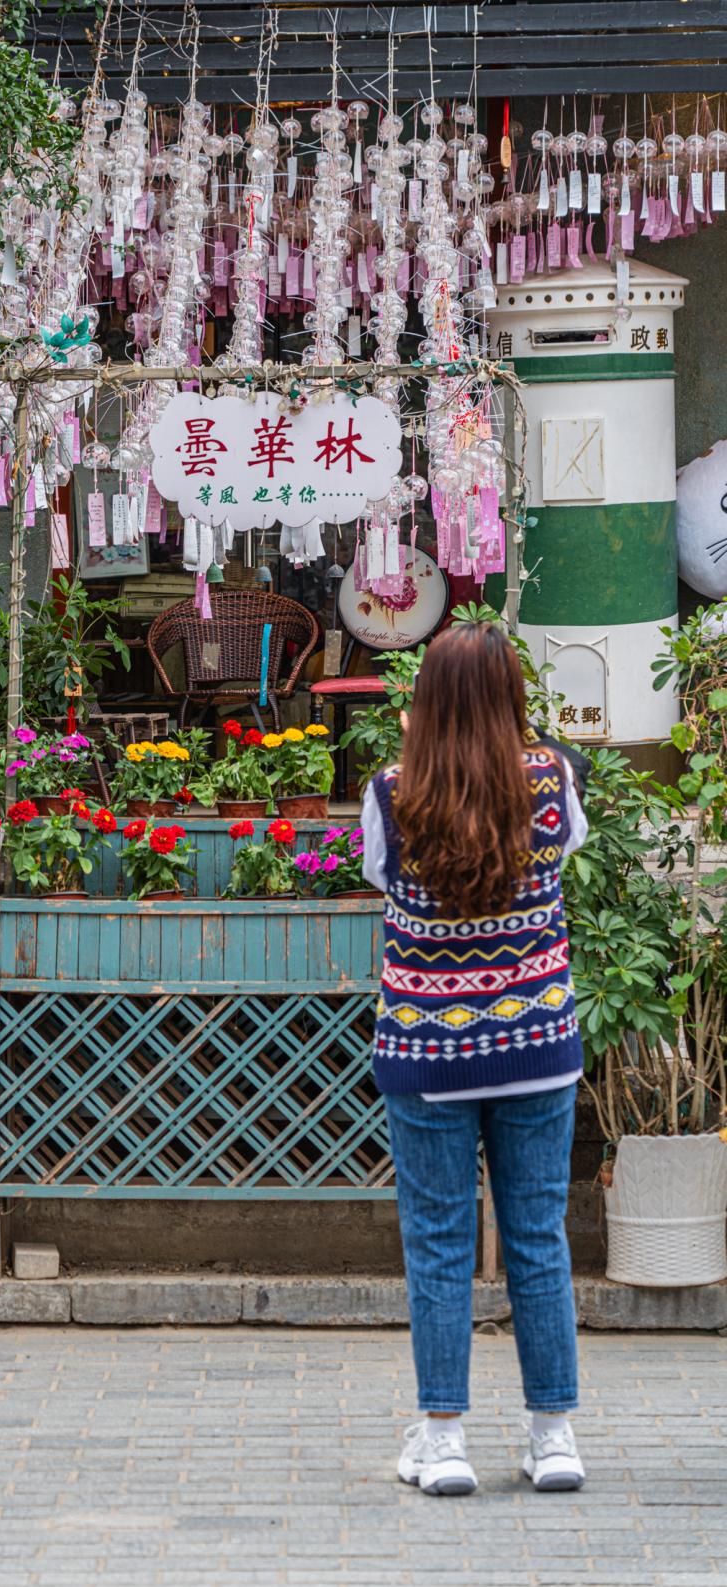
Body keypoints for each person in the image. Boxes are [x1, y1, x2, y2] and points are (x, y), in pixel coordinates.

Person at [360, 621, 588, 1499]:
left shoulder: (393, 791)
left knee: (439, 1243)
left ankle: (445, 1436)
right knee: (539, 1239)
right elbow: (559, 855)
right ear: (510, 695)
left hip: (428, 1049)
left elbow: (384, 880)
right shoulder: (552, 779)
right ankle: (553, 1434)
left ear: (426, 704)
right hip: (536, 1042)